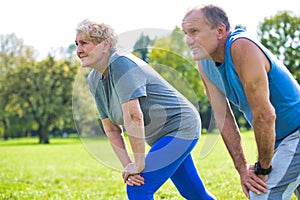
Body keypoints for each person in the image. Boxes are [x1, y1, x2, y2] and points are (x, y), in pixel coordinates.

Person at [75, 19, 215, 200]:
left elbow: (134, 117)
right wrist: (129, 167)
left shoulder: (122, 64)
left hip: (181, 128)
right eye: (77, 44)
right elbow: (111, 128)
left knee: (139, 190)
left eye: (84, 43)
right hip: (161, 138)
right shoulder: (94, 80)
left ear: (105, 45)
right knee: (195, 194)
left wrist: (139, 163)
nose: (78, 50)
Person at [182, 4, 300, 200]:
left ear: (220, 31)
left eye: (194, 32)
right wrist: (243, 169)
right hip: (279, 141)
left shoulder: (242, 47)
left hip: (296, 133)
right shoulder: (204, 65)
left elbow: (265, 115)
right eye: (185, 33)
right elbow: (224, 118)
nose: (188, 40)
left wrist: (262, 169)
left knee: (262, 193)